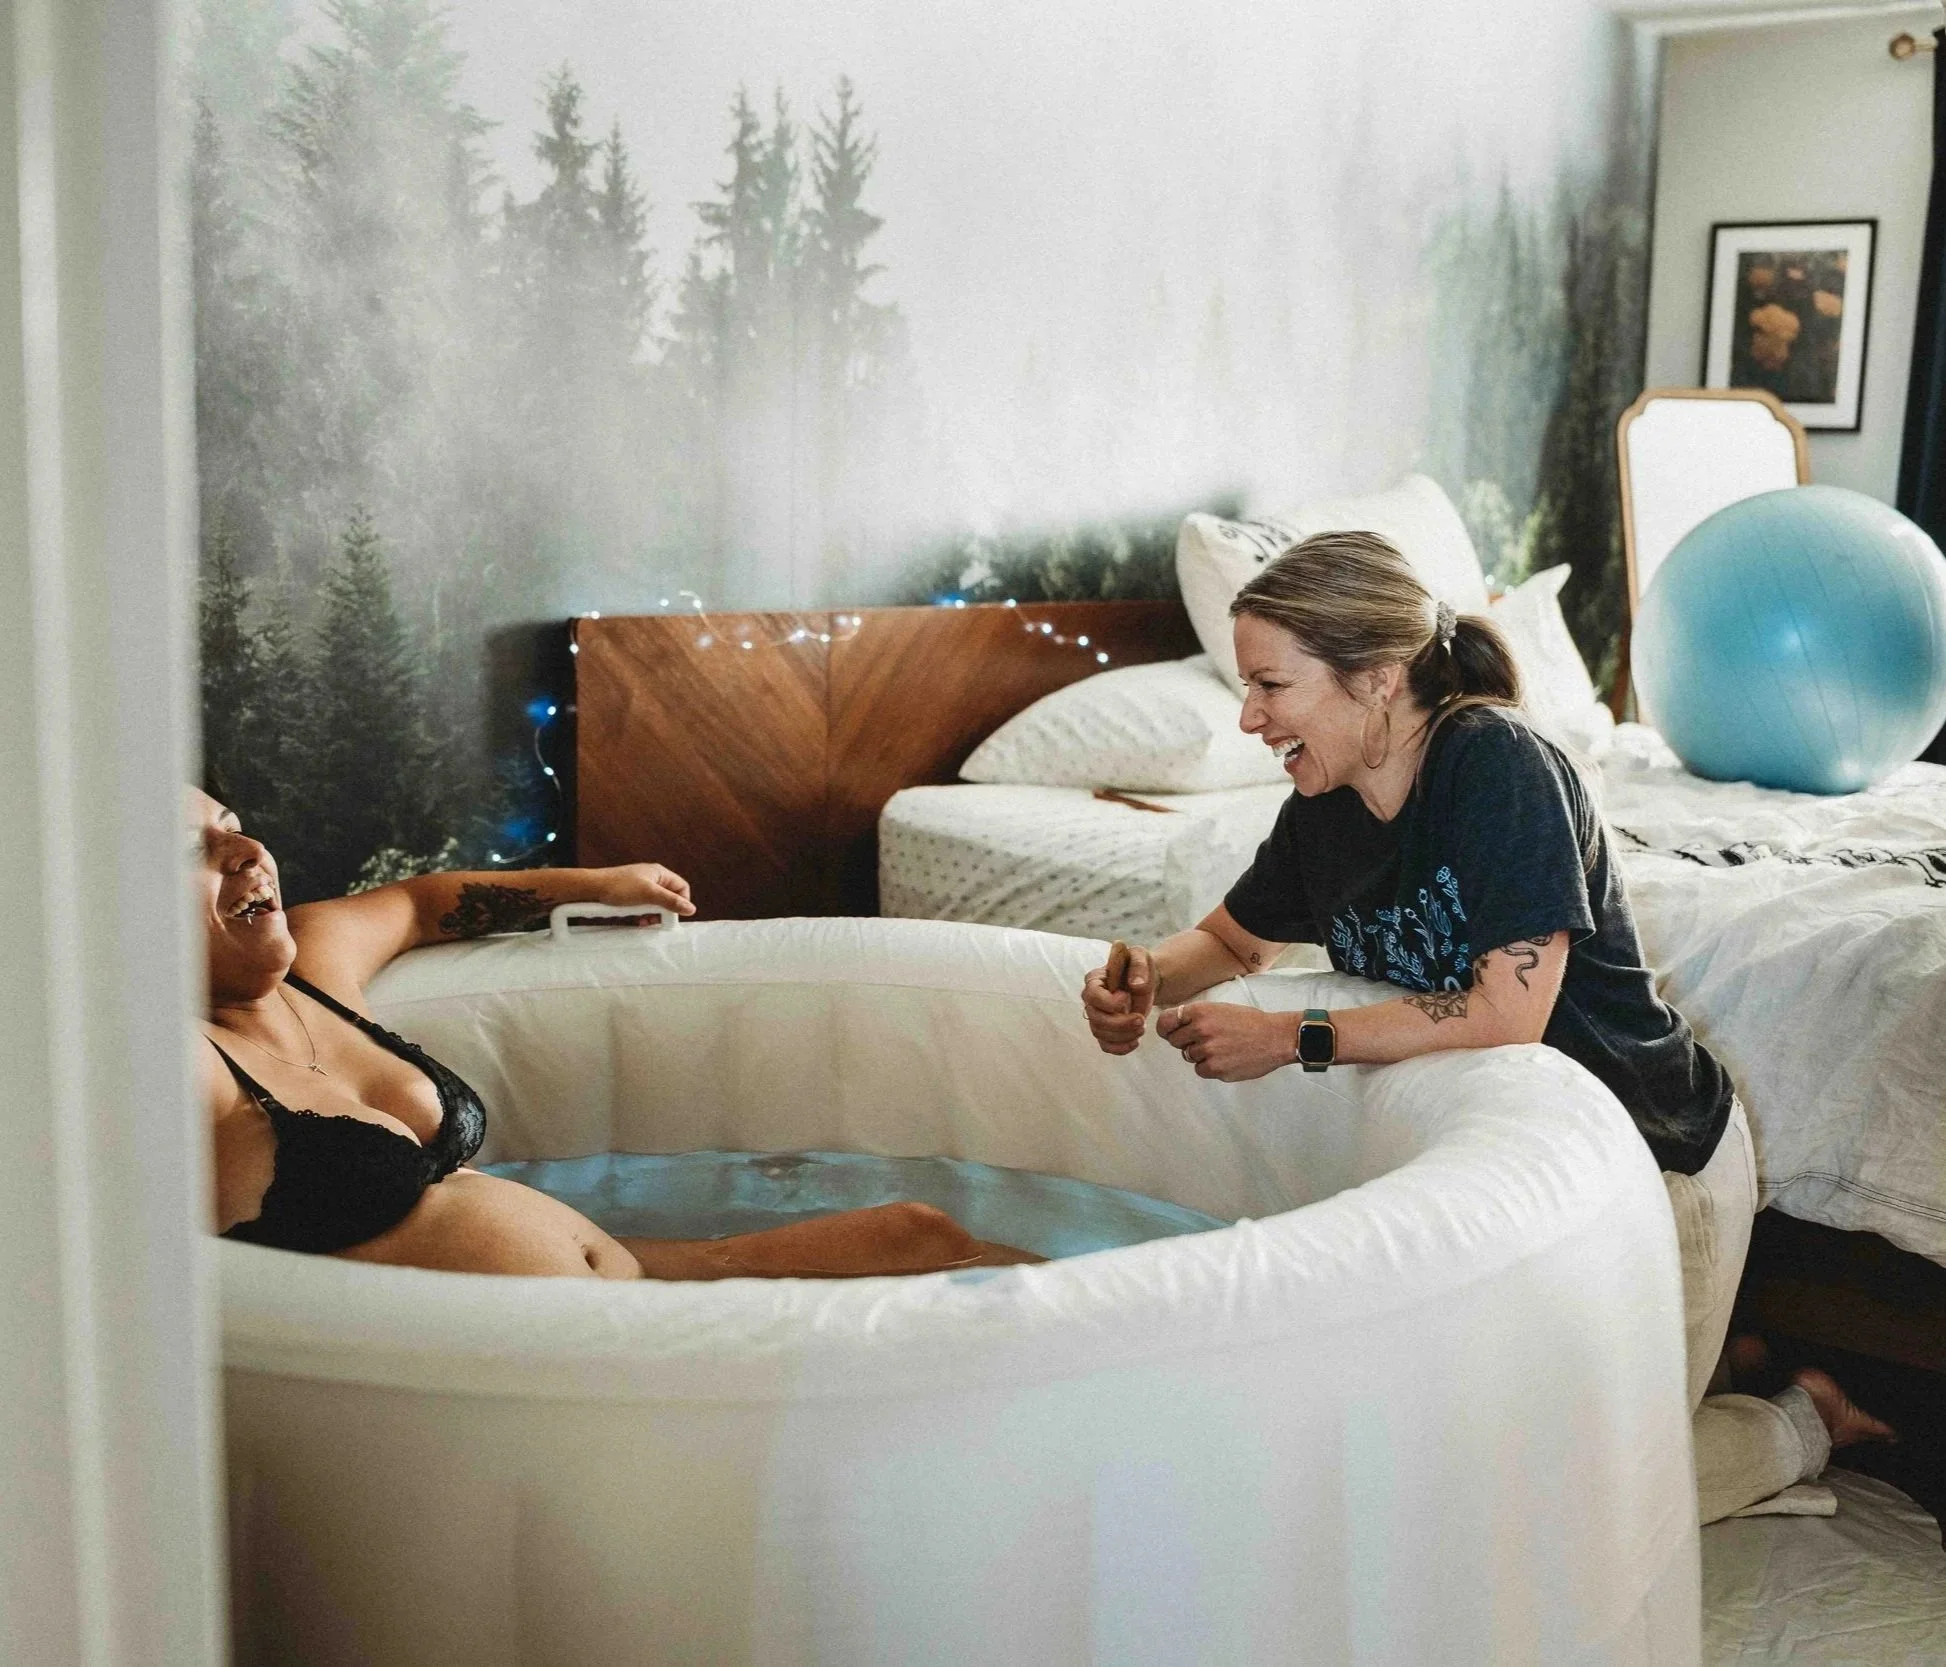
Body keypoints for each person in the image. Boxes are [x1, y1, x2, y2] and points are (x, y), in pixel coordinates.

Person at [1078, 530, 1891, 1525]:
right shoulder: (1321, 805)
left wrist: (1292, 1036)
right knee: (1453, 1447)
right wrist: (1142, 974)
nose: (1248, 716)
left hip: (1653, 1163)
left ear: (1376, 678)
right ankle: (1724, 1350)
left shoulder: (1495, 766)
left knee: (1578, 1503)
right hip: (1520, 1178)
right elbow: (1232, 941)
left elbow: (1509, 1011)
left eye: (1269, 685)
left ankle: (1804, 1414)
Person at [194, 788, 1032, 1279]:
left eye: (233, 821)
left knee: (923, 1234)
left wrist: (590, 884)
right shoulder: (188, 1062)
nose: (247, 849)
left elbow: (421, 903)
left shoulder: (317, 966)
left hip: (634, 1286)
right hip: (533, 1377)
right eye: (190, 849)